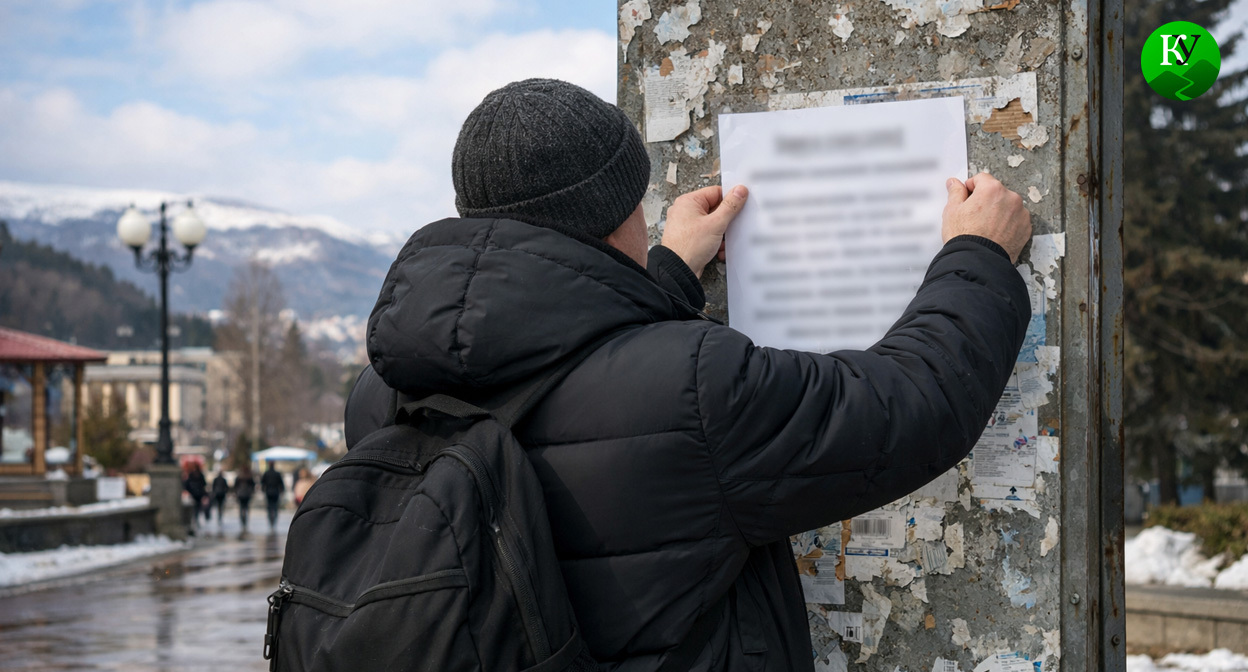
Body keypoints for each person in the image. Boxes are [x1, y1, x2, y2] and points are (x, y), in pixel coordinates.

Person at [345, 79, 1032, 671]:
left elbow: (573, 372)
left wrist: (666, 273)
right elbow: (910, 406)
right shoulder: (699, 385)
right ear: (618, 218)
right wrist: (976, 254)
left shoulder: (381, 395)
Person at [260, 461, 285, 531]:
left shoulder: (266, 473)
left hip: (268, 492)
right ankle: (274, 521)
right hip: (276, 492)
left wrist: (263, 490)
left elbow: (262, 483)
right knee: (275, 507)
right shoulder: (277, 474)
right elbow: (281, 483)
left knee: (269, 507)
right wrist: (282, 491)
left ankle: (271, 521)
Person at [182, 463, 207, 533]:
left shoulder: (196, 475)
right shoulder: (195, 475)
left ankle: (196, 520)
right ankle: (195, 521)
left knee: (197, 509)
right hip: (194, 495)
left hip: (197, 495)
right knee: (195, 509)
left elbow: (203, 485)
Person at [234, 465, 255, 534]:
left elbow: (235, 486)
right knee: (246, 508)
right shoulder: (249, 476)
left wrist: (236, 493)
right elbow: (253, 486)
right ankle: (245, 519)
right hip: (247, 494)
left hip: (240, 494)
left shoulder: (239, 476)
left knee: (241, 508)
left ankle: (242, 519)